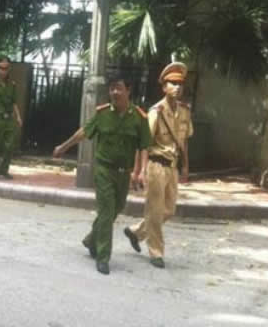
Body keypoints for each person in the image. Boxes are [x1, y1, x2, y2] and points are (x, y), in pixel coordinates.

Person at [53, 73, 150, 275]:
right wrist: (64, 146)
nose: (114, 92)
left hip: (124, 173)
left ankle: (90, 240)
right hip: (104, 170)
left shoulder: (139, 118)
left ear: (128, 90)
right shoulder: (103, 114)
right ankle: (103, 256)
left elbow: (144, 146)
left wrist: (141, 172)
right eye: (112, 88)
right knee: (107, 211)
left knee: (117, 208)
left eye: (119, 88)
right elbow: (83, 132)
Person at [123, 62, 193, 269]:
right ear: (164, 87)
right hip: (155, 165)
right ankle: (156, 252)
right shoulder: (156, 112)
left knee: (169, 210)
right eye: (172, 83)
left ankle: (136, 232)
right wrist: (138, 171)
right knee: (155, 210)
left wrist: (186, 167)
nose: (177, 87)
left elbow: (184, 141)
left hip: (172, 167)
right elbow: (143, 143)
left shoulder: (185, 112)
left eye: (180, 84)